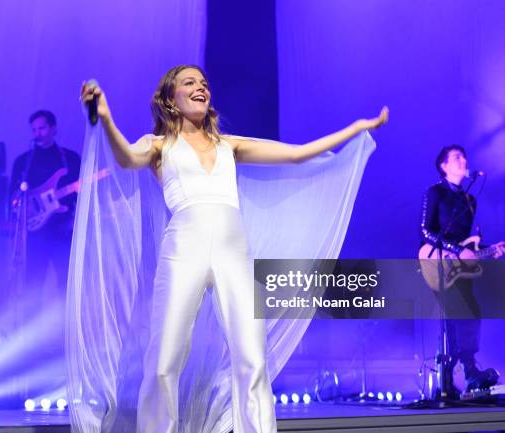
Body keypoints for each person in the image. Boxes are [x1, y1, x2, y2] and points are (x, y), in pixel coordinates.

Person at [76, 65, 388, 433]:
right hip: (183, 249)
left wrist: (354, 129)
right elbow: (127, 158)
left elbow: (298, 154)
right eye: (189, 83)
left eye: (204, 83)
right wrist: (108, 120)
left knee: (252, 358)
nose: (200, 88)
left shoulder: (229, 145)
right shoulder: (159, 145)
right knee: (164, 360)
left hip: (233, 252)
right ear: (169, 100)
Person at [420, 144, 504, 397]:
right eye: (457, 157)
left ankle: (456, 376)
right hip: (438, 260)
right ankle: (464, 373)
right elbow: (425, 231)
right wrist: (455, 251)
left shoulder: (470, 200)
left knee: (467, 314)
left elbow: (470, 242)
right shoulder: (435, 192)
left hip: (461, 268)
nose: (463, 160)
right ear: (444, 166)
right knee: (457, 314)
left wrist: (491, 249)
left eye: (464, 157)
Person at [9, 110, 81, 307]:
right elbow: (12, 196)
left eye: (41, 128)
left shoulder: (71, 159)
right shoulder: (23, 161)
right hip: (35, 233)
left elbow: (81, 195)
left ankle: (63, 329)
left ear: (53, 129)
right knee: (34, 283)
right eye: (34, 130)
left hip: (63, 230)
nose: (37, 133)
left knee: (66, 284)